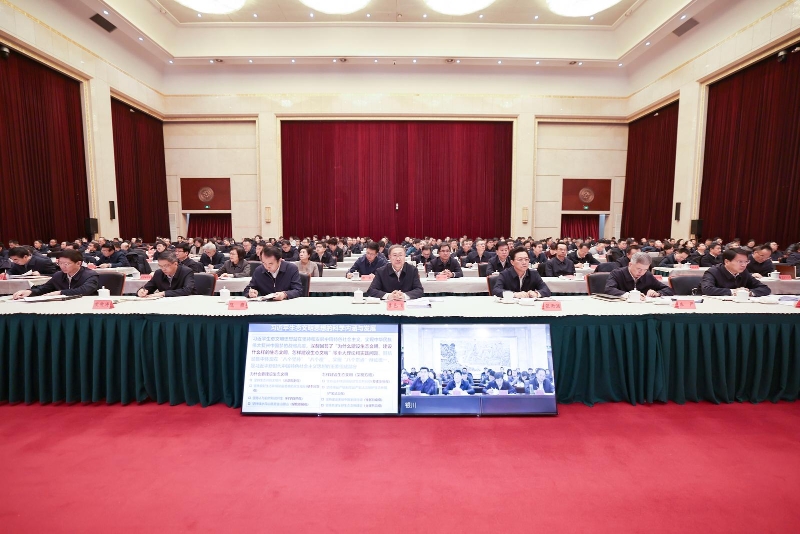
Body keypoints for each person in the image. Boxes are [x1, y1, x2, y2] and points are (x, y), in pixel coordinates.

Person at [12, 250, 99, 299]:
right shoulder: (58, 275)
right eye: (60, 263)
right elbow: (44, 288)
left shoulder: (90, 275)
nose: (62, 266)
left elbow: (84, 290)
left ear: (78, 263)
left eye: (66, 264)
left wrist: (60, 293)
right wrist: (30, 291)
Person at [701, 248, 770, 297]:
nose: (744, 265)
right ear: (727, 262)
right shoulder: (713, 272)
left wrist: (749, 293)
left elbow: (765, 288)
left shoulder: (744, 272)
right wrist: (734, 292)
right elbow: (707, 289)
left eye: (746, 262)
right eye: (740, 262)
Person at [604, 252, 673, 299]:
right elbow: (609, 289)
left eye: (645, 269)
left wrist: (657, 293)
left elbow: (668, 289)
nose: (641, 273)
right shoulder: (617, 273)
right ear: (630, 264)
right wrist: (630, 295)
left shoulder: (647, 275)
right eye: (638, 269)